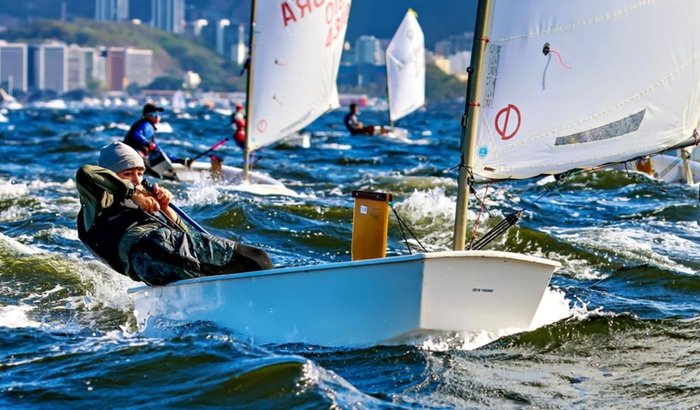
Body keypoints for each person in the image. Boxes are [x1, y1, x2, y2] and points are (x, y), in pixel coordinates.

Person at [76, 142, 273, 286]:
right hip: (152, 248)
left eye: (140, 173)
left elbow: (186, 236)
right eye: (127, 174)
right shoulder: (98, 202)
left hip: (156, 263)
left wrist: (165, 208)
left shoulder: (141, 200)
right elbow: (85, 172)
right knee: (257, 259)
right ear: (110, 174)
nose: (136, 180)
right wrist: (134, 193)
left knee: (244, 266)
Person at [124, 103, 190, 179]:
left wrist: (179, 160)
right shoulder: (146, 125)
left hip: (131, 157)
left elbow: (158, 152)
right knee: (157, 176)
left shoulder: (147, 127)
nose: (157, 117)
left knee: (156, 172)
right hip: (132, 157)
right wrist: (148, 143)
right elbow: (135, 134)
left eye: (159, 114)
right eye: (154, 114)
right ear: (146, 115)